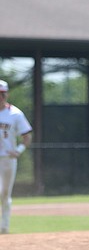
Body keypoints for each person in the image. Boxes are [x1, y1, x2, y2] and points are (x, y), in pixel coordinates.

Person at [0, 79, 32, 234]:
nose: (0, 97)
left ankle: (4, 227)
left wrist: (18, 150)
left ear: (7, 94)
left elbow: (27, 136)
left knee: (4, 193)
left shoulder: (15, 114)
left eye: (2, 94)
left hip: (7, 159)